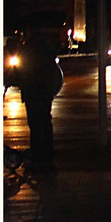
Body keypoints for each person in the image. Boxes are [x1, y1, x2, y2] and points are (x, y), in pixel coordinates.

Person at [11, 21, 66, 170]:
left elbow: (23, 70)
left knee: (36, 125)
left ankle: (39, 157)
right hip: (45, 91)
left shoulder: (29, 48)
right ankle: (46, 156)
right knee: (45, 123)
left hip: (34, 91)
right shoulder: (45, 47)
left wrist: (15, 80)